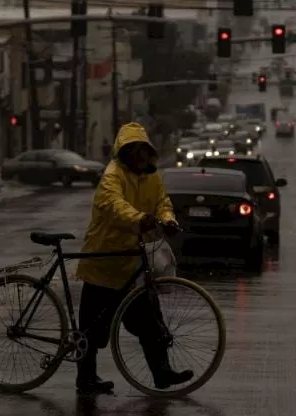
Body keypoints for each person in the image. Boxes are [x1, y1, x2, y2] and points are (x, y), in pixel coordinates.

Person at [74, 122, 194, 396]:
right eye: (133, 150)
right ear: (124, 152)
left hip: (131, 263)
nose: (138, 156)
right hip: (103, 261)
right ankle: (86, 378)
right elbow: (115, 206)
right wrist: (140, 219)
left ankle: (162, 373)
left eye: (142, 150)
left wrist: (167, 220)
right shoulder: (112, 176)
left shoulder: (152, 177)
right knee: (92, 329)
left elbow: (162, 203)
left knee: (149, 322)